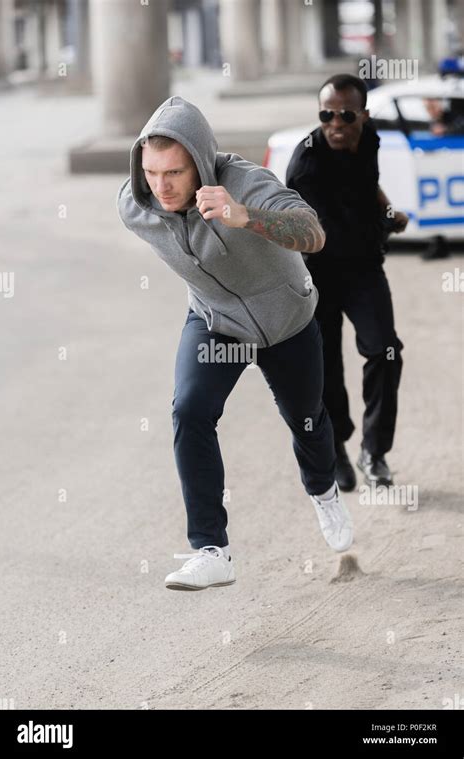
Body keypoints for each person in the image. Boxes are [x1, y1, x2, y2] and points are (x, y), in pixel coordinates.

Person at [117, 96, 353, 591]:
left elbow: (313, 234)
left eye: (175, 173)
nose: (161, 186)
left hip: (286, 319)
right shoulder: (136, 206)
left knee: (306, 420)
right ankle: (212, 550)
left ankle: (323, 489)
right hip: (215, 322)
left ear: (201, 164)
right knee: (190, 409)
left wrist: (245, 217)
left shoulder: (245, 183)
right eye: (152, 172)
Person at [286, 74, 408, 492]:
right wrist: (383, 227)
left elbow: (366, 182)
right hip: (318, 269)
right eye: (326, 114)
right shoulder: (306, 165)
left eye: (345, 114)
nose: (335, 123)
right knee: (325, 366)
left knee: (386, 351)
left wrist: (388, 210)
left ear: (364, 115)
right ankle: (335, 444)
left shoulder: (369, 138)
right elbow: (322, 237)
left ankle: (374, 451)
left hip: (362, 268)